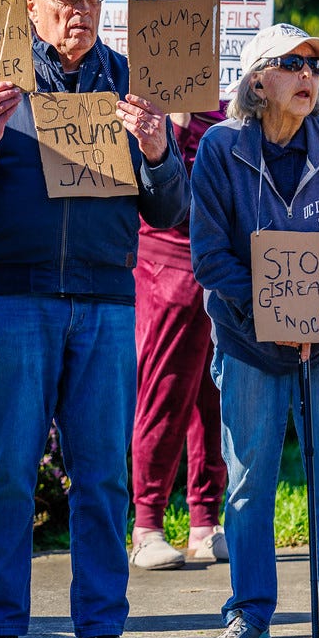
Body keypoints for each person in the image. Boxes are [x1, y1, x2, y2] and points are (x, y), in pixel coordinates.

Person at [0, 0, 189, 638]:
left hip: (105, 303)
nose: (81, 12)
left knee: (102, 476)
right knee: (6, 468)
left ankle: (101, 629)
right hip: (13, 301)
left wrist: (158, 152)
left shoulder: (132, 84)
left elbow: (172, 210)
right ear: (30, 7)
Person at [189, 23, 319, 638]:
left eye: (316, 66)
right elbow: (209, 255)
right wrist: (275, 315)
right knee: (250, 481)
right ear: (256, 81)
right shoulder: (220, 148)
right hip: (248, 341)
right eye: (292, 64)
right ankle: (249, 617)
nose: (308, 76)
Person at [130, 106, 229, 572]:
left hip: (221, 263)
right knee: (165, 392)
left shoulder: (225, 101)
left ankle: (205, 521)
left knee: (214, 398)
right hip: (166, 262)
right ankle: (147, 526)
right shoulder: (141, 100)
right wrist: (178, 124)